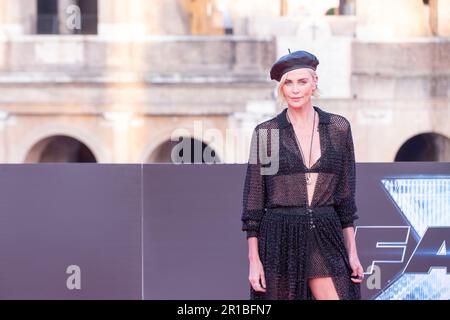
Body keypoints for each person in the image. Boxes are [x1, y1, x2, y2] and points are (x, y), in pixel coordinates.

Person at [241, 50, 364, 300]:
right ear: (281, 88)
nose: (295, 90)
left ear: (314, 83)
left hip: (325, 232)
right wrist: (254, 260)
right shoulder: (269, 134)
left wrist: (352, 252)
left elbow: (345, 198)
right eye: (289, 83)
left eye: (302, 81)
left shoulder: (338, 128)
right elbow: (253, 205)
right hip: (280, 236)